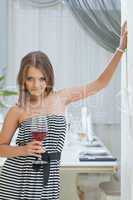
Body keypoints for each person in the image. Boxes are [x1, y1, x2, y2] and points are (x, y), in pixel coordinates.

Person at [0, 22, 127, 200]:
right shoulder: (17, 109)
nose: (36, 85)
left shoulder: (62, 97)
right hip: (17, 183)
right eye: (30, 79)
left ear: (49, 77)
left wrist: (120, 49)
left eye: (41, 78)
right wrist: (23, 150)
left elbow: (99, 84)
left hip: (48, 181)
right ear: (23, 80)